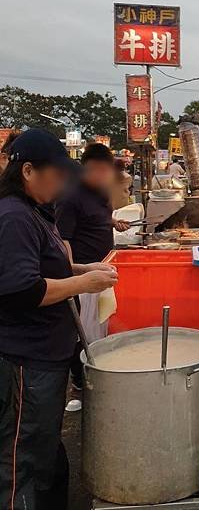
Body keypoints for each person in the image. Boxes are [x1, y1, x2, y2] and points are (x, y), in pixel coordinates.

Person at [0, 129, 118, 510]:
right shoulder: (14, 216)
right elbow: (23, 291)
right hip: (26, 363)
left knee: (46, 456)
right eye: (56, 172)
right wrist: (82, 282)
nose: (63, 181)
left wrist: (84, 267)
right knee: (23, 461)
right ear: (28, 170)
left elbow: (47, 263)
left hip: (46, 359)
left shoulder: (35, 211)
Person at [56, 143, 129, 393]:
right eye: (94, 169)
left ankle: (97, 375)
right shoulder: (71, 196)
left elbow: (98, 217)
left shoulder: (100, 193)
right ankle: (79, 381)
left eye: (104, 170)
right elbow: (63, 238)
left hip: (103, 270)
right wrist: (72, 274)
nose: (100, 175)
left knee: (100, 328)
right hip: (83, 274)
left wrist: (114, 221)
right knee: (81, 333)